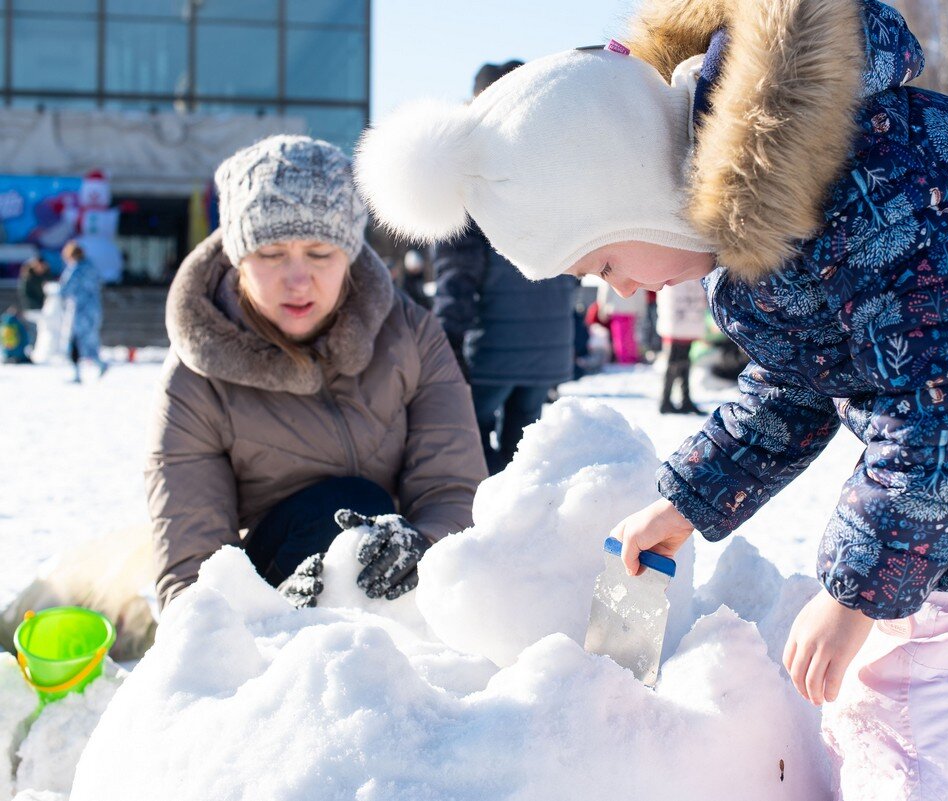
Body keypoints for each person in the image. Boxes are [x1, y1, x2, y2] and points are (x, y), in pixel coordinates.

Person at [354, 0, 948, 796]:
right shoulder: (775, 209)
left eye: (603, 266)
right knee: (885, 700)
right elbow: (796, 383)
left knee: (918, 717)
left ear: (628, 194)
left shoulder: (857, 180)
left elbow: (947, 405)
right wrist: (681, 502)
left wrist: (856, 590)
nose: (616, 296)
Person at [146, 135, 487, 611]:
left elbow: (453, 489)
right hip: (269, 588)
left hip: (402, 587)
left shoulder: (411, 335)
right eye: (271, 254)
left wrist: (422, 551)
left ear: (349, 254)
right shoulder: (195, 376)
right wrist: (264, 615)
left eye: (320, 253)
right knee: (339, 501)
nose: (298, 279)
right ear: (237, 257)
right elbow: (190, 574)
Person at [431, 60, 579, 475]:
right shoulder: (558, 166)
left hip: (491, 348)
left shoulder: (467, 173)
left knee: (469, 455)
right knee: (521, 459)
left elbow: (456, 276)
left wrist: (448, 342)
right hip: (548, 341)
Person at [654, 279, 707, 414]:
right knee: (674, 359)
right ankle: (666, 400)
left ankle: (684, 399)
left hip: (684, 313)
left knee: (684, 359)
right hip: (678, 312)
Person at [58, 241, 108, 382]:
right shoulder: (92, 267)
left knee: (75, 341)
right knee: (90, 341)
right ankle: (99, 364)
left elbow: (64, 288)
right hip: (94, 309)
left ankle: (77, 374)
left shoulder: (75, 269)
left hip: (79, 311)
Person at [596, 281, 645, 365]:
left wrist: (602, 307)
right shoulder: (638, 272)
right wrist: (641, 309)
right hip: (631, 309)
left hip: (618, 309)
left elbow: (605, 291)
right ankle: (630, 358)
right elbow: (641, 294)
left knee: (620, 337)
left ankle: (624, 360)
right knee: (630, 336)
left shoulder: (612, 270)